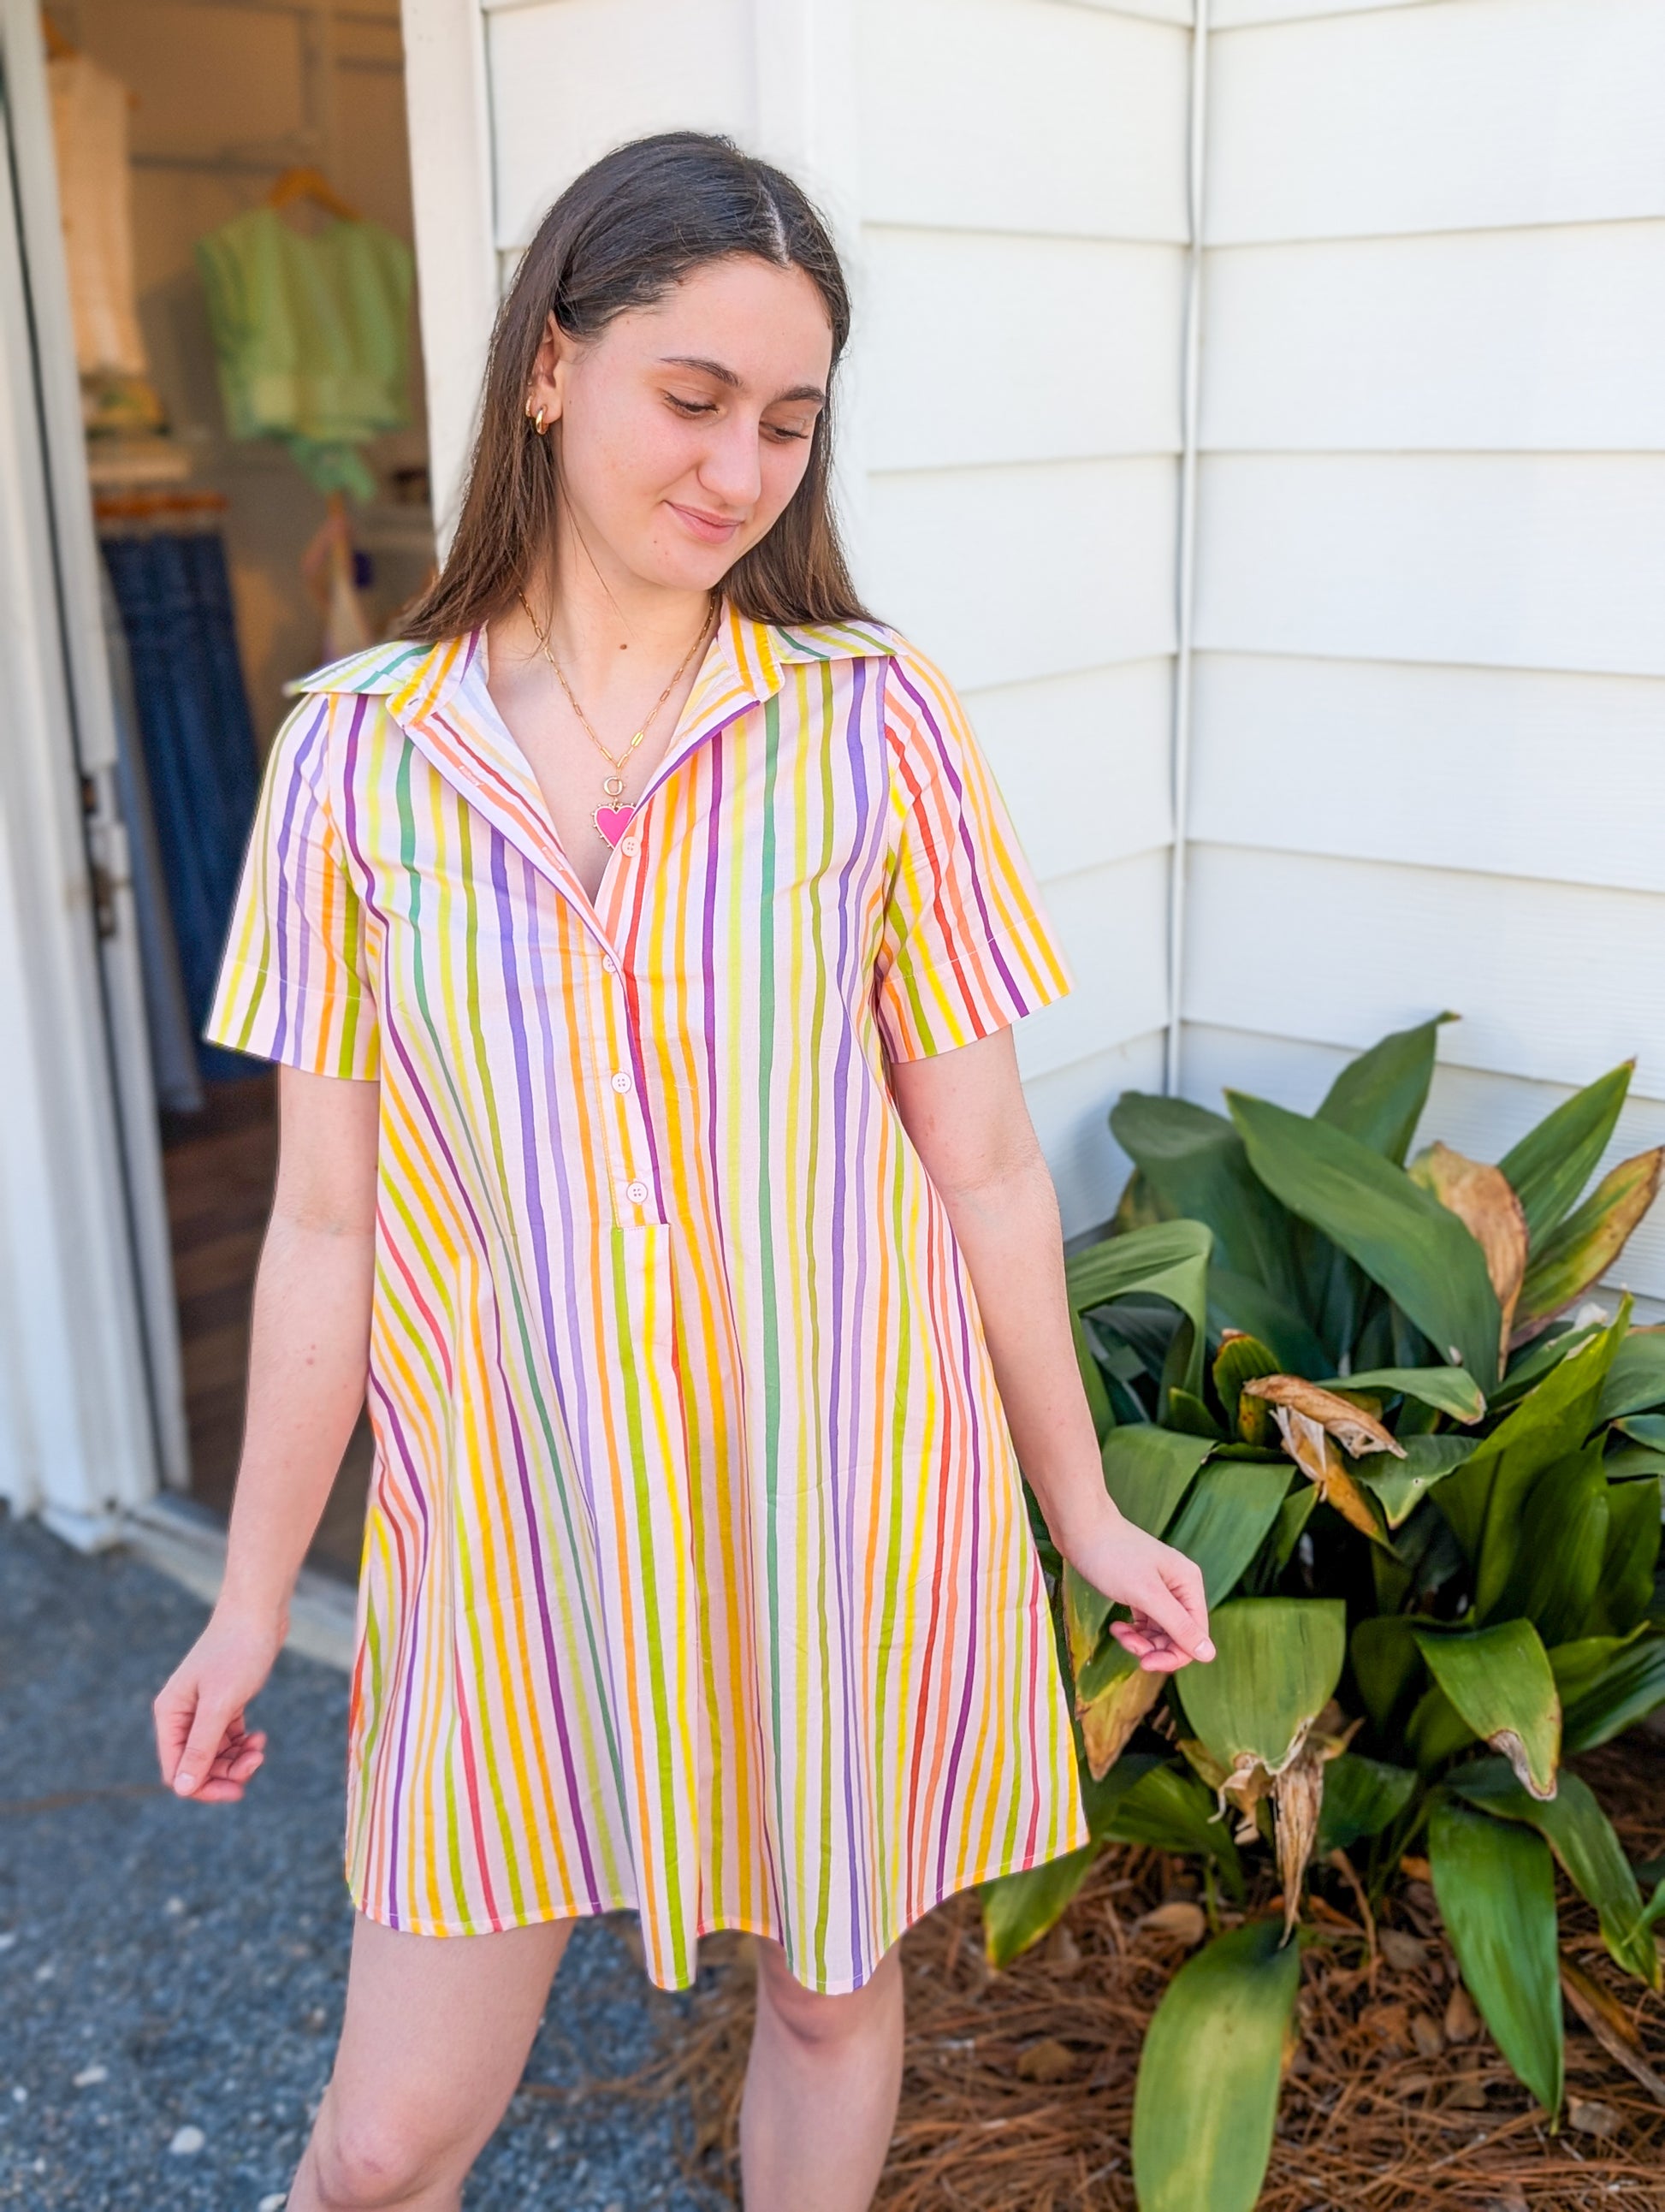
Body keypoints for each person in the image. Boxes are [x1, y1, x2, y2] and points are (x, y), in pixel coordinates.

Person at [152, 132, 1213, 2212]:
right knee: (378, 2145)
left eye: (789, 423)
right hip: (511, 1527)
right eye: (695, 398)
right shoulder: (353, 756)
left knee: (820, 2004)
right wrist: (254, 1597)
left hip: (835, 1495)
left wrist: (1079, 1505)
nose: (741, 471)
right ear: (551, 369)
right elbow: (325, 1226)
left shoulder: (875, 723)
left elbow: (988, 1167)